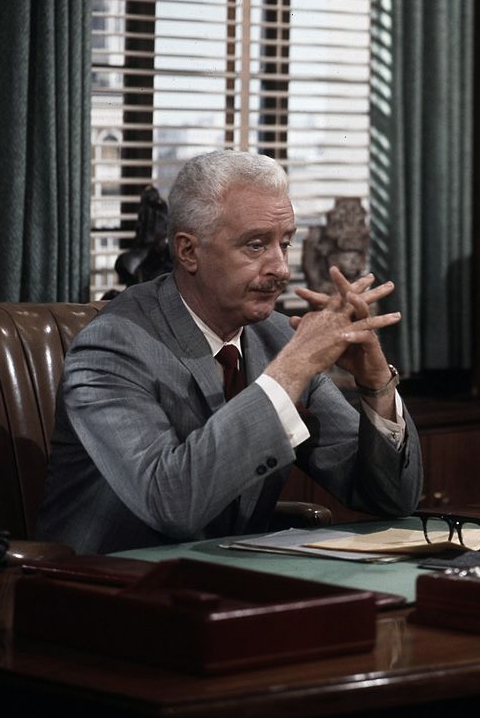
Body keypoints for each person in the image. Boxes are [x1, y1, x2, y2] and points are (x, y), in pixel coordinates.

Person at [39, 150, 422, 553]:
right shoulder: (110, 349)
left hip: (226, 582)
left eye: (285, 244)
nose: (282, 269)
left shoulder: (276, 337)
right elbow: (172, 502)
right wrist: (292, 369)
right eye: (256, 246)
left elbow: (390, 498)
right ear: (188, 251)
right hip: (107, 589)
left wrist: (376, 385)